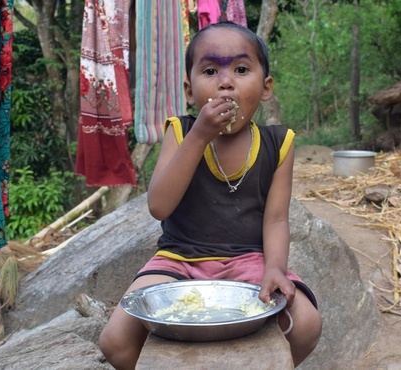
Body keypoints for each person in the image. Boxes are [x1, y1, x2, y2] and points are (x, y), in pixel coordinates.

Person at [98, 22, 323, 369]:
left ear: (265, 88)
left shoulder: (280, 144)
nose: (225, 81)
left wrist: (275, 267)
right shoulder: (181, 131)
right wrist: (199, 135)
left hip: (249, 260)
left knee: (307, 324)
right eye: (210, 70)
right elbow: (159, 206)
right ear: (190, 90)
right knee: (115, 340)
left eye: (241, 69)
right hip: (179, 260)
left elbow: (276, 219)